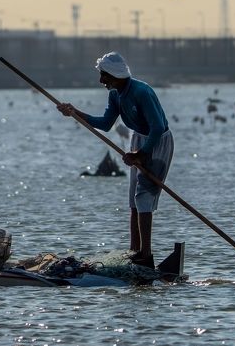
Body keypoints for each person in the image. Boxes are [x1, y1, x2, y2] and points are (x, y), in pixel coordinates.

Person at [57, 51, 174, 268]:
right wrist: (75, 113)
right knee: (133, 201)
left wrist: (141, 154)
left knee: (143, 197)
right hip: (138, 139)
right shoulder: (115, 95)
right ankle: (134, 251)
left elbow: (157, 127)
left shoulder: (141, 92)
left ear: (115, 75)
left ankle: (146, 255)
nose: (101, 80)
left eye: (104, 76)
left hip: (157, 143)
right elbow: (105, 124)